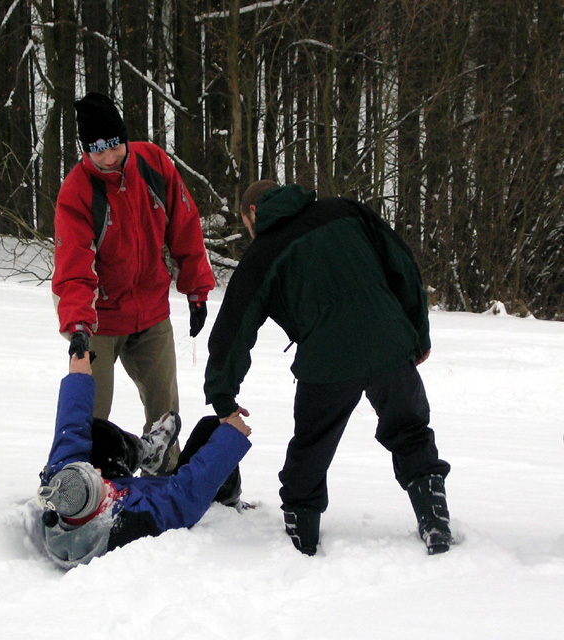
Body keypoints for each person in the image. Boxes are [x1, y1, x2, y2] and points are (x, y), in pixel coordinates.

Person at [203, 180, 452, 556]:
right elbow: (401, 262)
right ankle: (435, 522)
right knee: (411, 430)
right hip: (388, 342)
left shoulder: (263, 252)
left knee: (312, 446)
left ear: (253, 212)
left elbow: (233, 328)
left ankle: (302, 536)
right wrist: (417, 332)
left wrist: (223, 397)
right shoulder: (346, 211)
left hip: (326, 360)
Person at [52, 92, 215, 473]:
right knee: (90, 414)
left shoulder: (153, 163)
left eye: (115, 145)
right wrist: (78, 327)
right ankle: (81, 481)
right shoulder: (77, 191)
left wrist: (196, 290)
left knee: (165, 412)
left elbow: (185, 226)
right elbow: (73, 268)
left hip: (152, 312)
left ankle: (165, 480)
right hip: (100, 319)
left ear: (125, 138)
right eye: (98, 150)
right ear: (86, 150)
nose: (109, 157)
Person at [36, 352, 251, 570]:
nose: (98, 471)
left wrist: (78, 376)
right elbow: (186, 494)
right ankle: (227, 500)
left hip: (128, 490)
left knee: (96, 433)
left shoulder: (63, 488)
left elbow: (70, 432)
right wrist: (232, 437)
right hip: (162, 495)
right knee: (212, 429)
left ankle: (149, 452)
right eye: (97, 479)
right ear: (98, 510)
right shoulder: (130, 523)